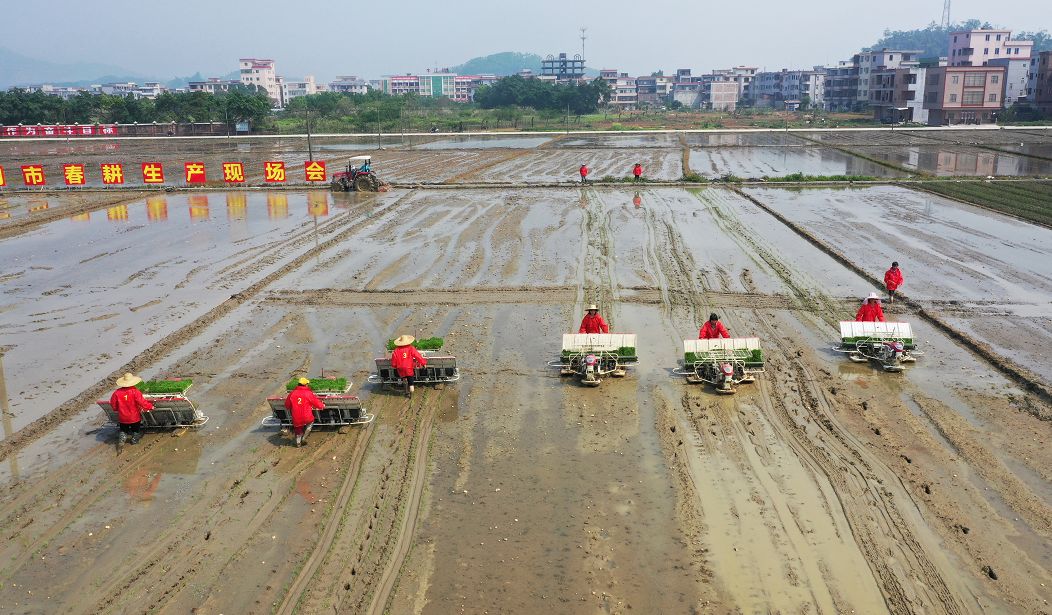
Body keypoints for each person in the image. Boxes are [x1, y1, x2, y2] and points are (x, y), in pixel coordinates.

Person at [110, 372, 154, 451]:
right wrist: (150, 406)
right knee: (136, 430)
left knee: (123, 430)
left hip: (123, 417)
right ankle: (134, 441)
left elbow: (113, 404)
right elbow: (142, 402)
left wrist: (116, 409)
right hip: (134, 417)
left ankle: (121, 441)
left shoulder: (116, 393)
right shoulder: (135, 391)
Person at [285, 377, 324, 447]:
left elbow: (287, 405)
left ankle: (298, 442)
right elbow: (316, 402)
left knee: (298, 428)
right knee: (310, 423)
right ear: (305, 385)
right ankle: (304, 437)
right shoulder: (308, 393)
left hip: (296, 417)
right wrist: (322, 406)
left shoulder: (292, 393)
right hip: (307, 416)